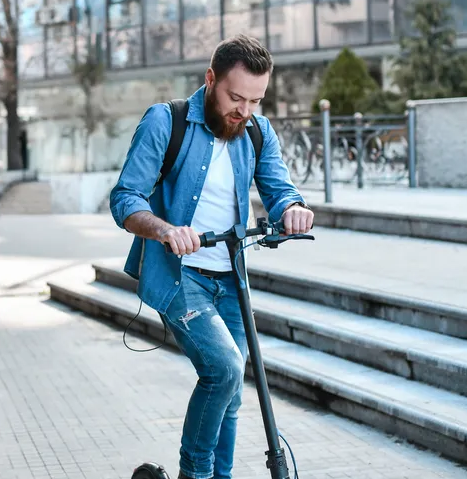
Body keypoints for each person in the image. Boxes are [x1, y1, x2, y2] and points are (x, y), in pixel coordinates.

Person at [109, 34, 315, 479]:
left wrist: (293, 210)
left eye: (255, 100)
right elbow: (125, 198)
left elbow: (279, 190)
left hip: (230, 278)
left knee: (232, 393)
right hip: (180, 274)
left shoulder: (258, 131)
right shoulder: (166, 122)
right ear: (209, 80)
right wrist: (166, 230)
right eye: (235, 97)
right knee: (223, 370)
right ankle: (195, 475)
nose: (244, 111)